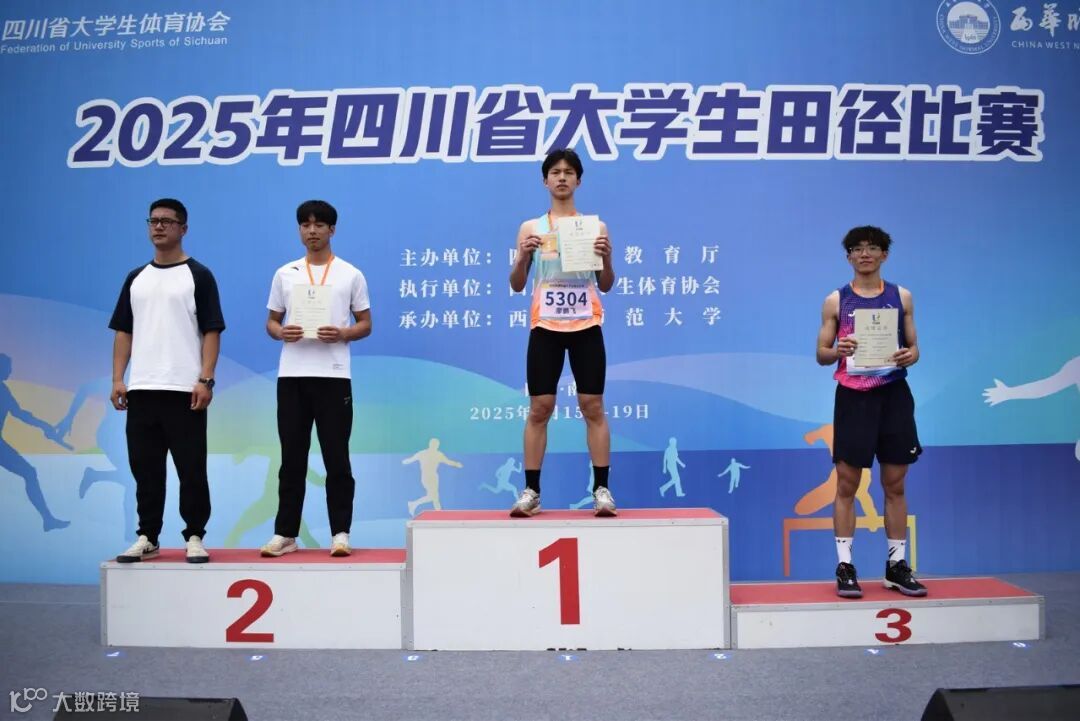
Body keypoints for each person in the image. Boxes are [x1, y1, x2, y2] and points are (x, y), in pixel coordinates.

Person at [110, 199, 225, 563]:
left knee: (191, 469)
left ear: (183, 228)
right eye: (153, 221)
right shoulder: (136, 278)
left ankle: (195, 535)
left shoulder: (199, 275)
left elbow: (211, 330)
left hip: (184, 390)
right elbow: (124, 332)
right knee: (145, 470)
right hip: (142, 389)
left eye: (167, 221)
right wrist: (118, 378)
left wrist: (206, 379)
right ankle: (148, 536)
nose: (158, 227)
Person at [815, 225, 927, 598]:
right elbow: (821, 354)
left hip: (893, 396)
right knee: (847, 484)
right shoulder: (836, 300)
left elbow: (914, 347)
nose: (865, 254)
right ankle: (845, 566)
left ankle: (896, 566)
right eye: (857, 249)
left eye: (872, 248)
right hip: (854, 398)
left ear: (884, 255)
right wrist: (839, 351)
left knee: (895, 484)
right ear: (848, 256)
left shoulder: (901, 297)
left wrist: (911, 355)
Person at [508, 148, 616, 517]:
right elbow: (516, 284)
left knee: (593, 405)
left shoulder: (595, 228)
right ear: (545, 180)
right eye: (555, 172)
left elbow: (606, 283)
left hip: (586, 324)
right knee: (540, 408)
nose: (562, 177)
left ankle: (602, 489)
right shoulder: (530, 228)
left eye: (569, 172)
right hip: (546, 326)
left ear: (578, 181)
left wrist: (607, 257)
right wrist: (522, 256)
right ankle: (532, 491)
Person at [260, 200, 371, 558]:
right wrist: (281, 332)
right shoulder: (285, 273)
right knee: (291, 458)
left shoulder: (350, 274)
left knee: (337, 457)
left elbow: (365, 324)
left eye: (319, 225)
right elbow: (272, 321)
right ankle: (285, 533)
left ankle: (340, 533)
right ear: (299, 230)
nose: (312, 231)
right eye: (305, 225)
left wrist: (343, 333)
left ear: (332, 230)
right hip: (292, 376)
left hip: (333, 377)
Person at [0, 353, 70, 531]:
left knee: (29, 473)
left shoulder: (3, 390)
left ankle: (48, 520)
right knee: (29, 473)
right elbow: (20, 414)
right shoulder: (3, 390)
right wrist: (44, 426)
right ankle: (48, 520)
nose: (10, 371)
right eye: (7, 367)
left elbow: (19, 413)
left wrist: (43, 426)